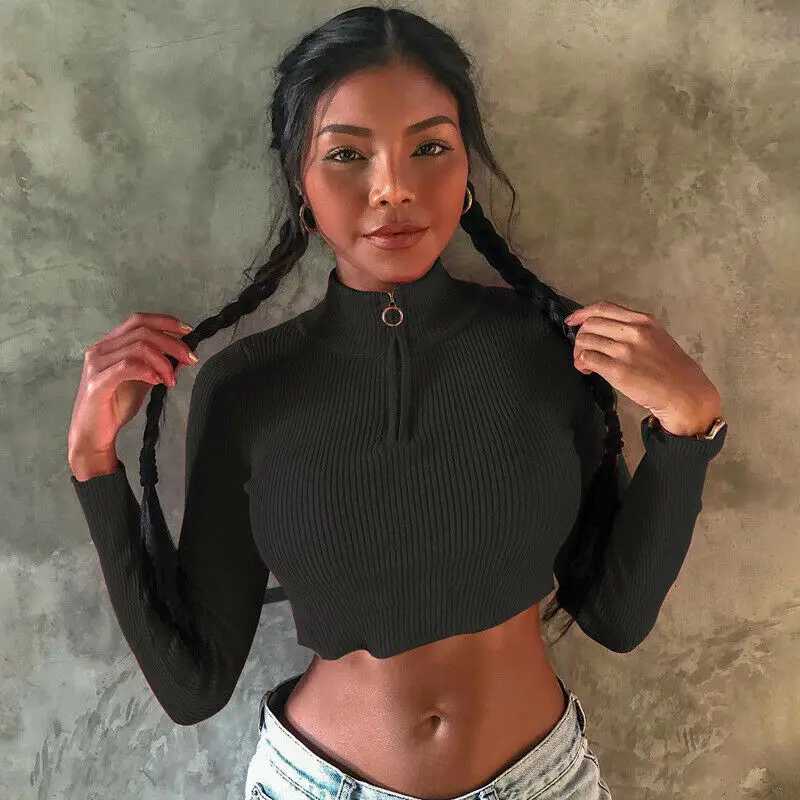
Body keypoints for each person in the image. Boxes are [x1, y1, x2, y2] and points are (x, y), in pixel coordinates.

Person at [67, 7, 728, 800]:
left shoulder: (551, 352)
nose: (393, 188)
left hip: (541, 781)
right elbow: (194, 687)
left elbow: (615, 619)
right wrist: (93, 464)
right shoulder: (245, 386)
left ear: (466, 168)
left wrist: (689, 429)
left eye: (430, 147)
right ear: (300, 182)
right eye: (347, 153)